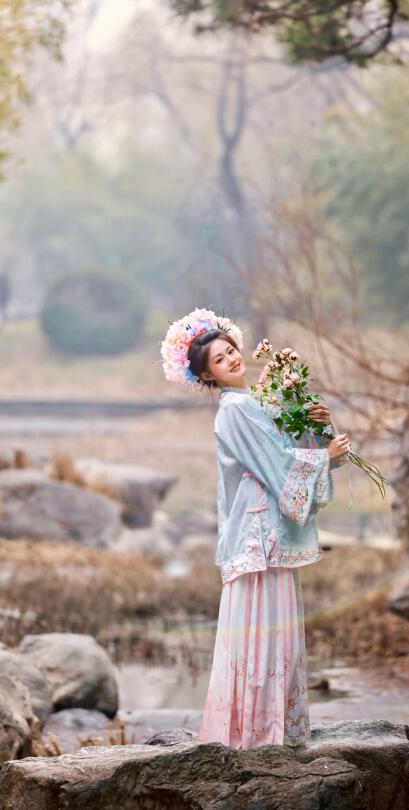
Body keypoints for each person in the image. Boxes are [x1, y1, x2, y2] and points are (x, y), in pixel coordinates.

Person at [160, 308, 350, 749]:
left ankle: (268, 729)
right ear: (207, 376)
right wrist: (325, 457)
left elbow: (288, 452)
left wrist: (321, 431)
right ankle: (260, 734)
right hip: (258, 536)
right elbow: (276, 465)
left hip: (267, 534)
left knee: (272, 630)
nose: (230, 360)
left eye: (230, 351)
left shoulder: (254, 404)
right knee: (263, 629)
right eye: (219, 361)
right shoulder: (235, 410)